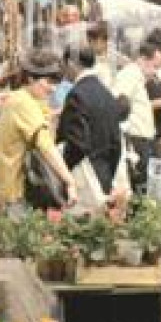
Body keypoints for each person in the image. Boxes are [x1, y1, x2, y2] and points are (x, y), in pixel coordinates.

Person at [0, 49, 78, 213]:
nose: (53, 88)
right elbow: (45, 144)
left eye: (56, 83)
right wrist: (69, 181)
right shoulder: (23, 102)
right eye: (48, 82)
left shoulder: (26, 98)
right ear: (31, 78)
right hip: (15, 194)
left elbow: (43, 119)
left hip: (10, 190)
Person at [56, 47, 130, 211]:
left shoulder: (77, 94)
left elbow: (76, 142)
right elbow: (116, 141)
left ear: (71, 63)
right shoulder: (107, 93)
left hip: (83, 177)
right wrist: (108, 172)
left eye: (63, 64)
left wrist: (63, 170)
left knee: (78, 224)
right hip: (104, 174)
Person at [113, 37, 161, 193]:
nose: (156, 72)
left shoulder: (139, 78)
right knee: (139, 186)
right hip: (134, 140)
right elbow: (119, 104)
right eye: (155, 66)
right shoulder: (129, 76)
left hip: (143, 140)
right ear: (143, 60)